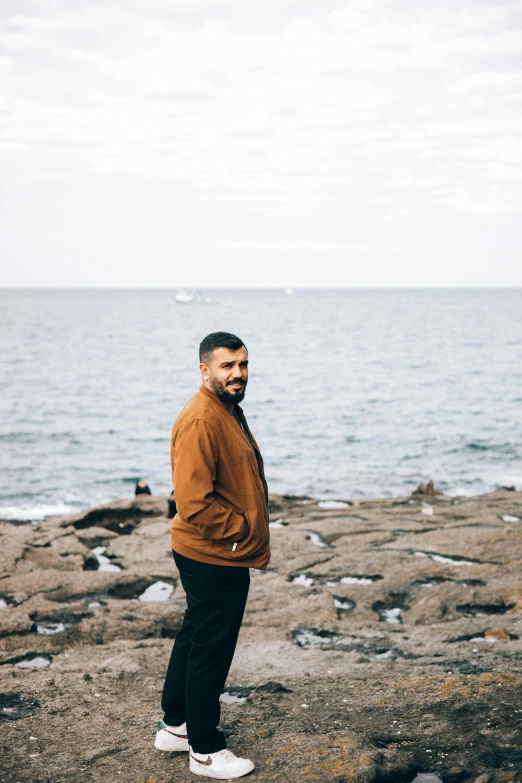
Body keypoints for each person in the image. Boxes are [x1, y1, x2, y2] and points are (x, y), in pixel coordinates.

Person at [154, 332, 270, 779]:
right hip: (214, 552)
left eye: (242, 364)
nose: (238, 373)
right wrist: (240, 532)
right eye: (227, 366)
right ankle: (204, 749)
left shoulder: (225, 409)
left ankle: (176, 726)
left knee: (196, 634)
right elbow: (194, 501)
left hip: (210, 550)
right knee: (211, 648)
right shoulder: (202, 418)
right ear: (206, 370)